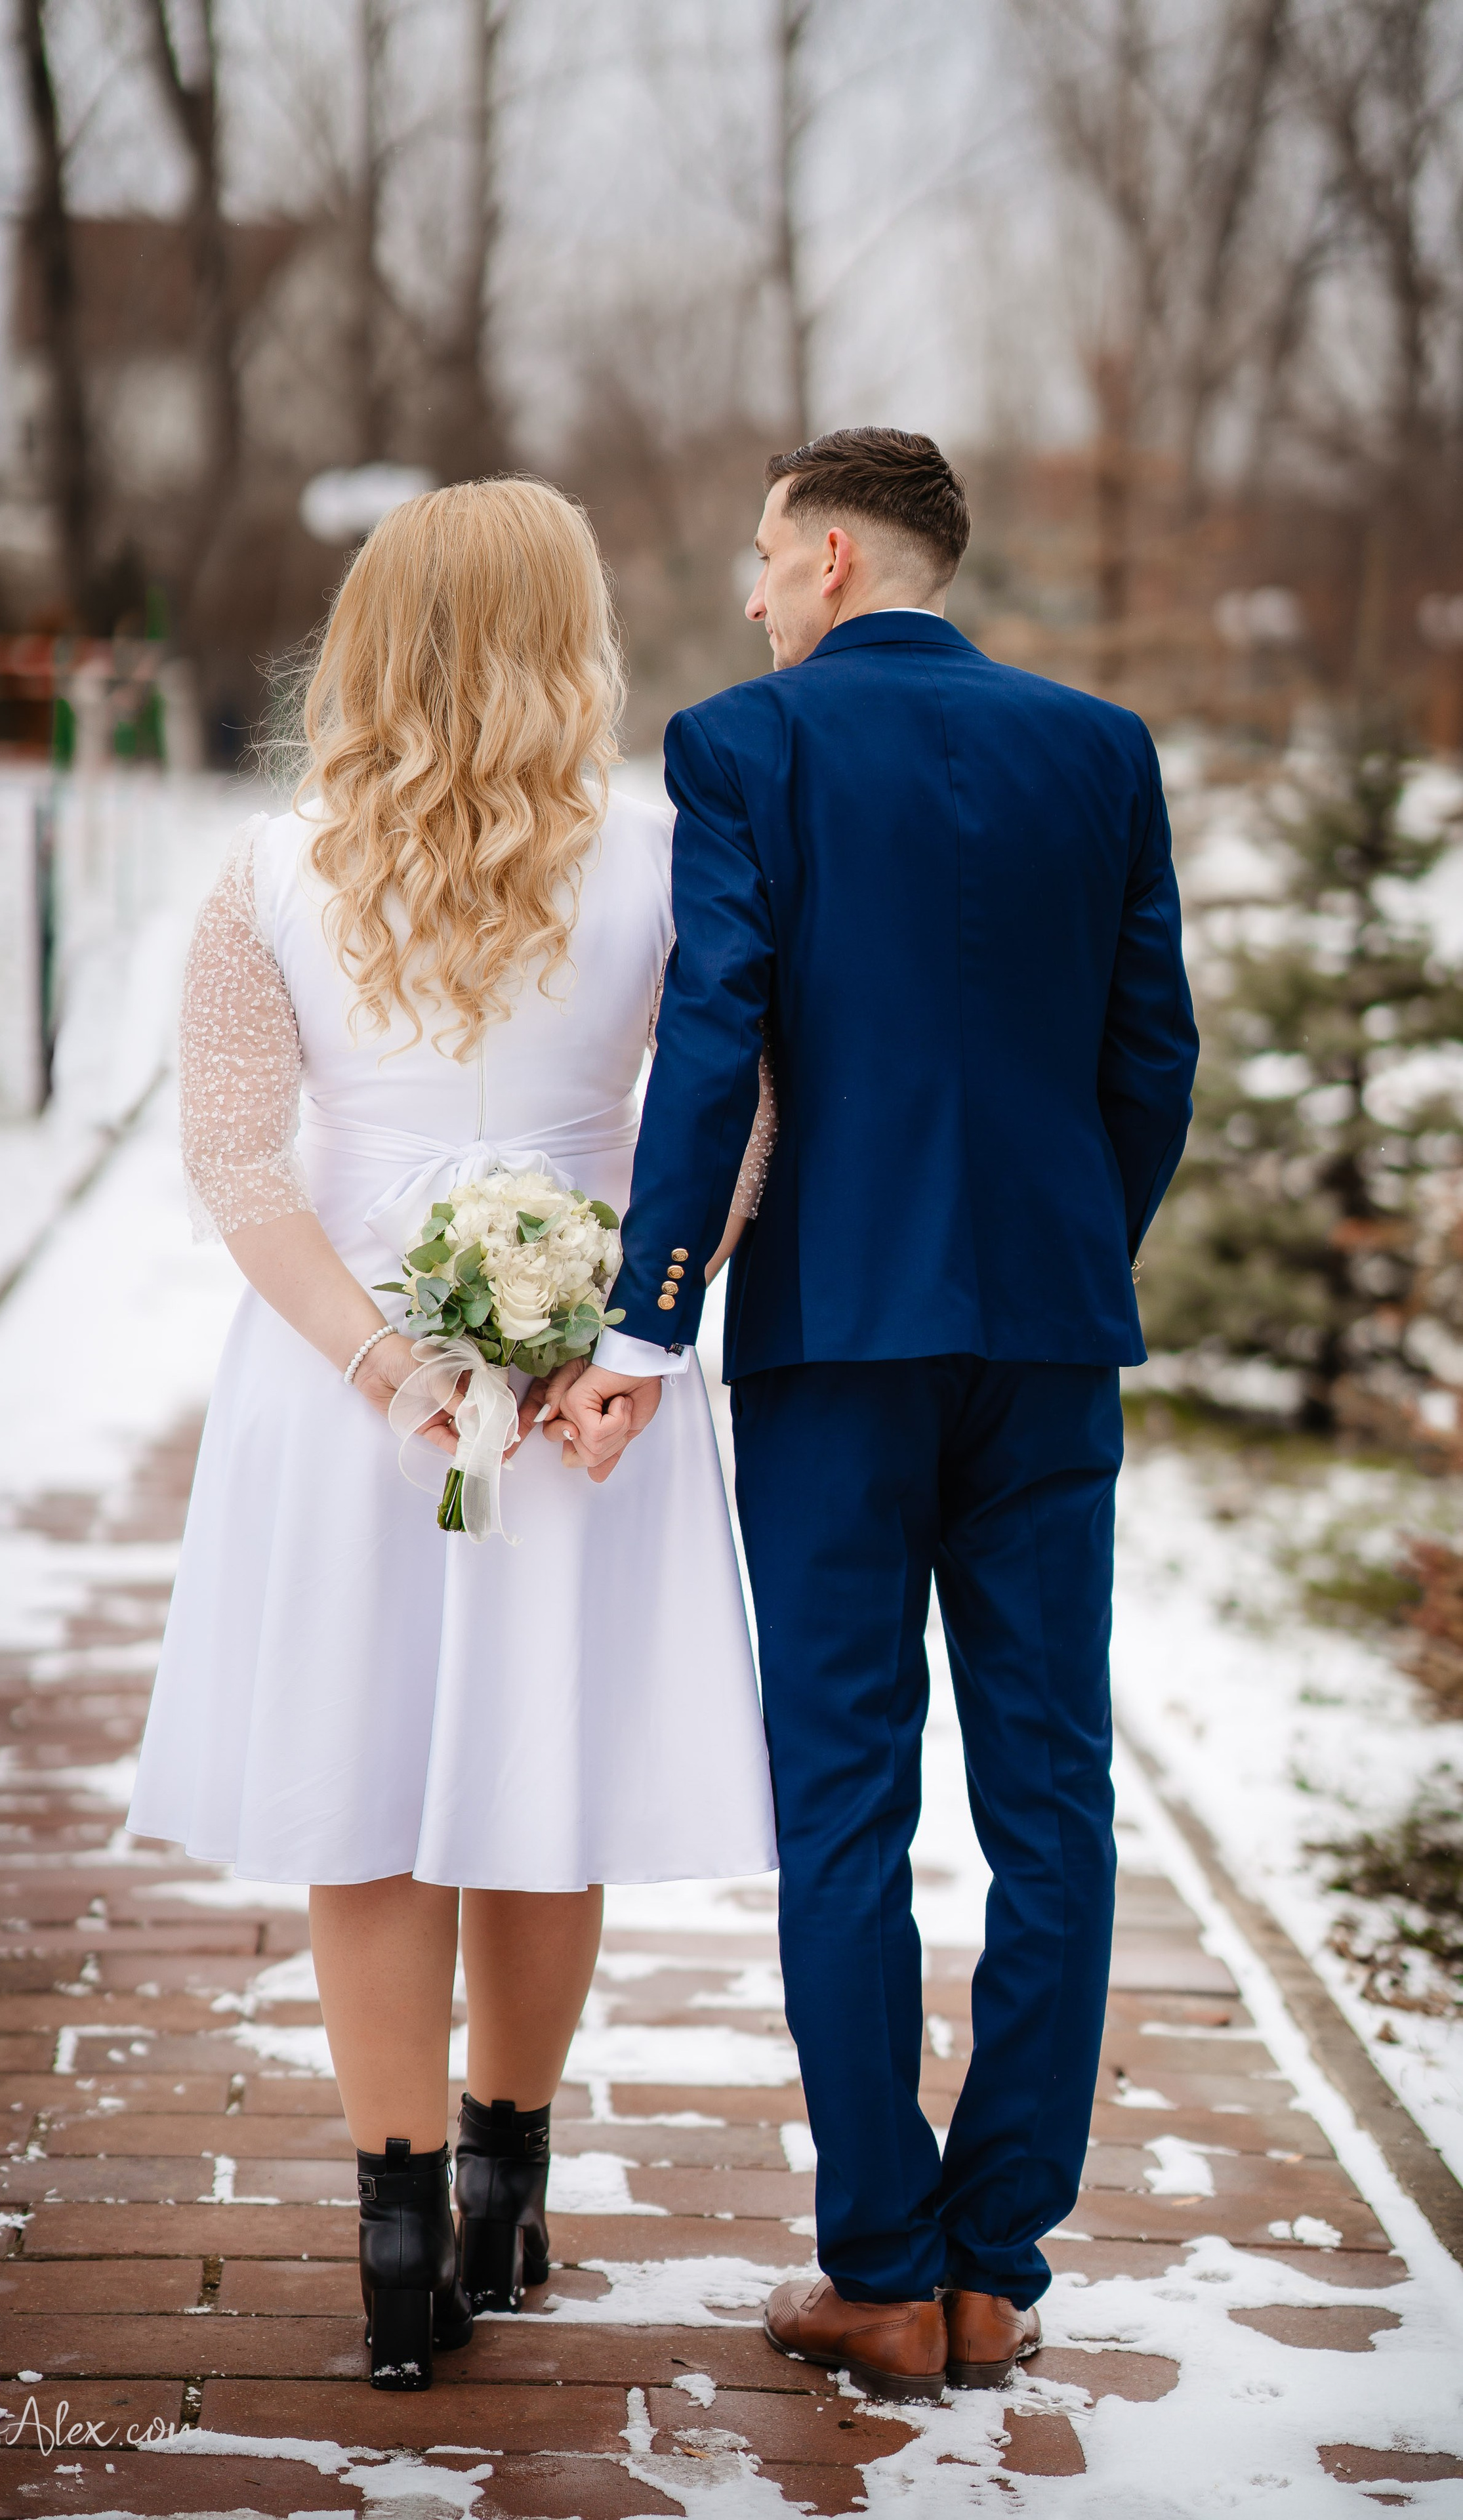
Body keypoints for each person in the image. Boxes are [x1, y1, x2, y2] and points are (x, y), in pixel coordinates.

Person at [552, 427, 1198, 2404]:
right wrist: (1073, 1248)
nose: (752, 596)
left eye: (763, 558)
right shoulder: (1102, 750)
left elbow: (716, 1037)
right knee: (1051, 1794)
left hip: (836, 1335)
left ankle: (881, 2272)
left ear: (829, 558)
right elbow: (1149, 1051)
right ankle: (996, 2267)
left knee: (847, 1796)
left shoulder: (748, 749)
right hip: (1050, 1335)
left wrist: (647, 1314)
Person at [126, 479, 776, 2391]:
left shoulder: (270, 869)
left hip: (354, 1403)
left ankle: (395, 2220)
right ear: (567, 639)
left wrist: (384, 1367)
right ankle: (512, 2171)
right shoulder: (667, 862)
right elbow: (734, 1118)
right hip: (581, 1397)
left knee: (368, 1796)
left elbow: (240, 1163)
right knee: (534, 1785)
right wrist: (630, 1343)